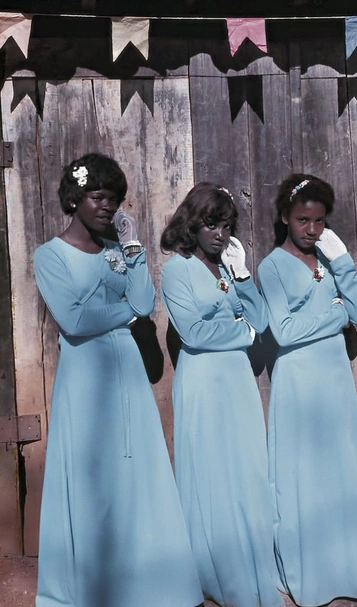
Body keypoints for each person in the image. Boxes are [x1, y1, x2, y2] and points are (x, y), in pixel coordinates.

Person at [34, 153, 204, 607]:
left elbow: (145, 301)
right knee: (94, 476)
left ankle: (145, 582)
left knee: (135, 471)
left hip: (128, 372)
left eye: (114, 199)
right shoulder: (49, 255)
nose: (108, 206)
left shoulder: (116, 251)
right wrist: (126, 311)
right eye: (98, 197)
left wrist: (133, 251)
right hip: (84, 379)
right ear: (74, 199)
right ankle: (97, 587)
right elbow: (74, 321)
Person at [257, 174, 357, 607]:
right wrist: (334, 315)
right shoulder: (271, 266)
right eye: (302, 220)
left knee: (340, 473)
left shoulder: (330, 259)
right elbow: (285, 331)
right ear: (284, 218)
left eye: (319, 221)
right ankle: (308, 577)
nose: (312, 230)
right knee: (303, 478)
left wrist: (343, 263)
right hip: (298, 381)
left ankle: (350, 573)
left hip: (334, 379)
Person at [160, 182, 283, 607]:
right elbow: (194, 333)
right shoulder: (176, 269)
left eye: (227, 226)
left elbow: (262, 319)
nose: (220, 234)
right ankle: (215, 570)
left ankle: (252, 562)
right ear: (192, 224)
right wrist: (242, 332)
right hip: (202, 382)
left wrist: (243, 275)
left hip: (237, 381)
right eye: (211, 225)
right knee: (211, 473)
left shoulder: (228, 267)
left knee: (246, 470)